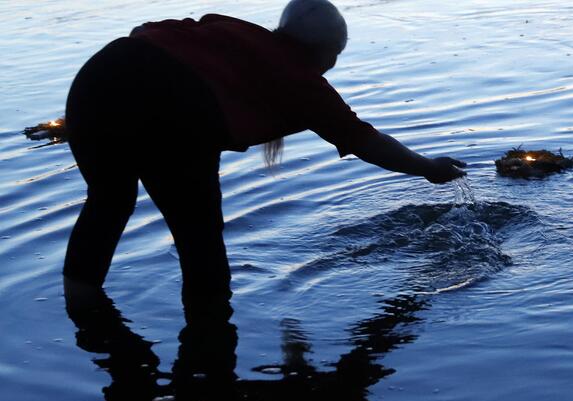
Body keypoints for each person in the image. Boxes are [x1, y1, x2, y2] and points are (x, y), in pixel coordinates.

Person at [62, 0, 466, 321]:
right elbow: (367, 141)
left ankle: (81, 309)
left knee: (108, 201)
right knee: (199, 238)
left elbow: (148, 34)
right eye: (335, 55)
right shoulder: (301, 82)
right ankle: (208, 343)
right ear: (326, 52)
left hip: (97, 81)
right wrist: (429, 168)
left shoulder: (235, 31)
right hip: (174, 113)